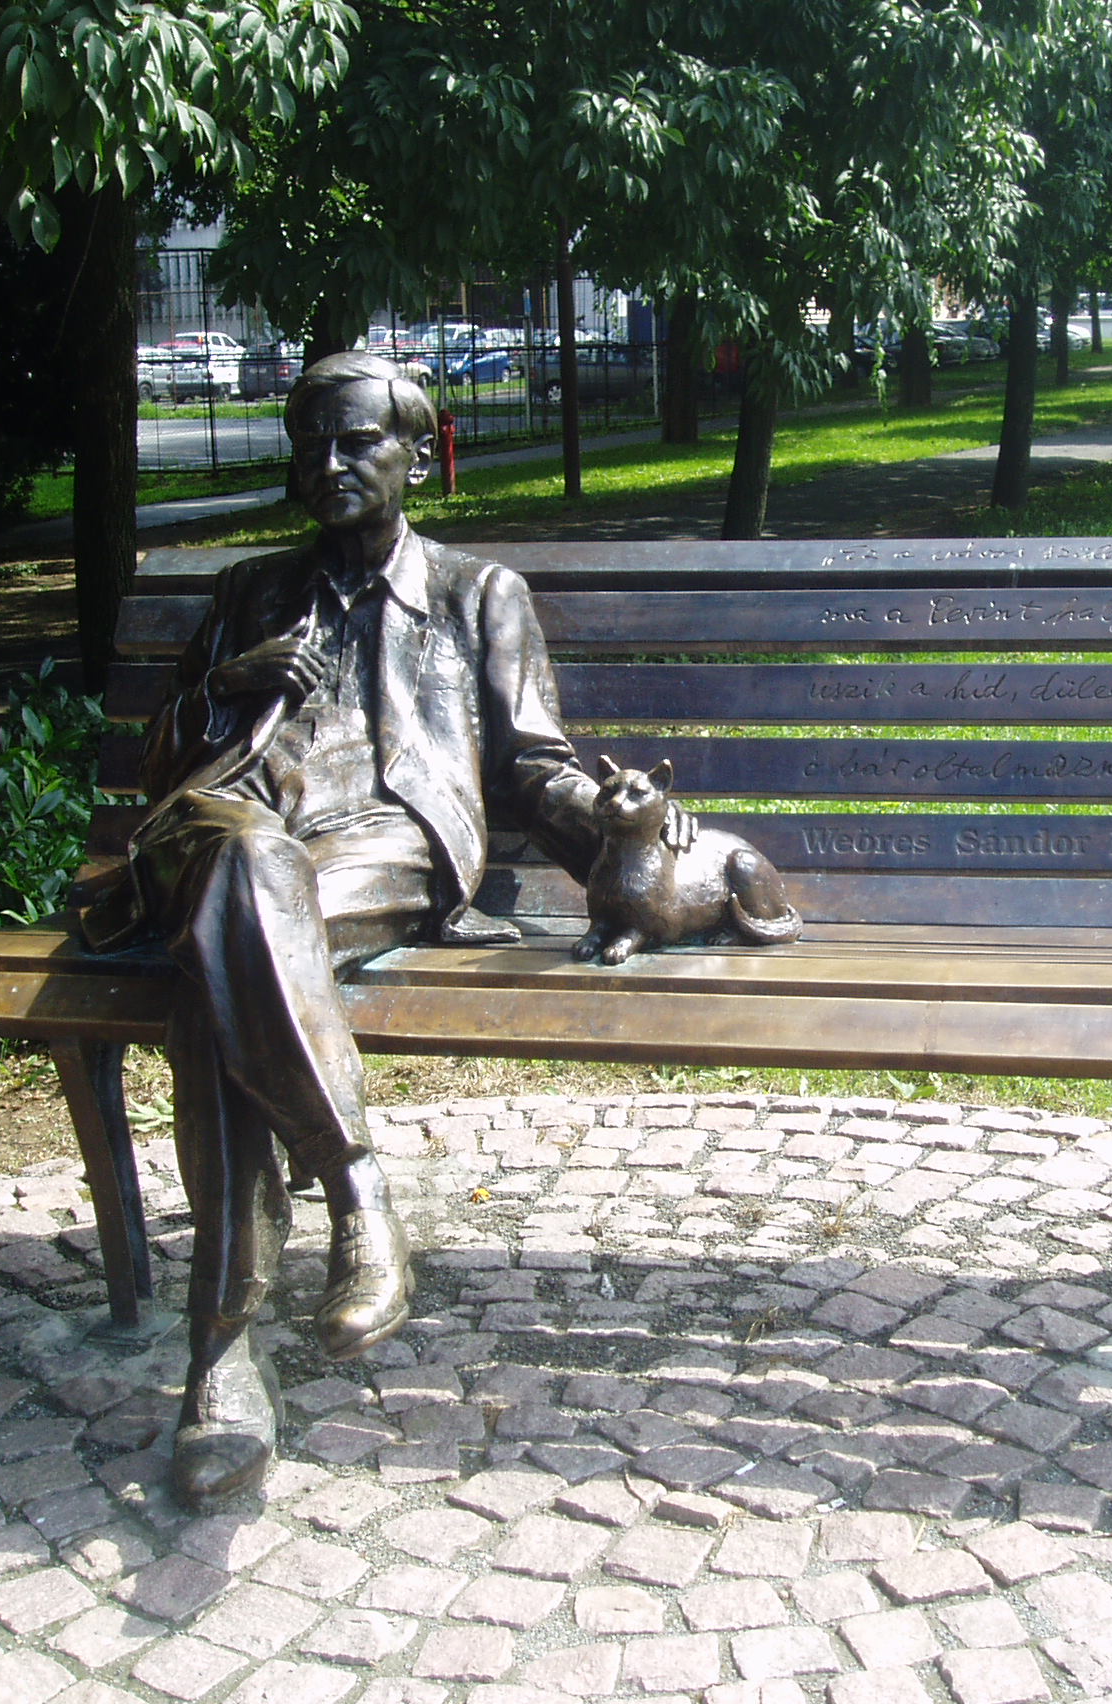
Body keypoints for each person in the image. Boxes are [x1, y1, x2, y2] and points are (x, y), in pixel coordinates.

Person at [79, 351, 681, 1504]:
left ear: (416, 453)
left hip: (383, 837)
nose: (331, 463)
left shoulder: (473, 591)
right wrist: (228, 683)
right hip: (228, 823)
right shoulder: (249, 591)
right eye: (311, 443)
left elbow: (531, 760)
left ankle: (221, 1357)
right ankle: (355, 1194)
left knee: (228, 955)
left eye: (358, 441)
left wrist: (633, 857)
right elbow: (163, 760)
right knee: (244, 882)